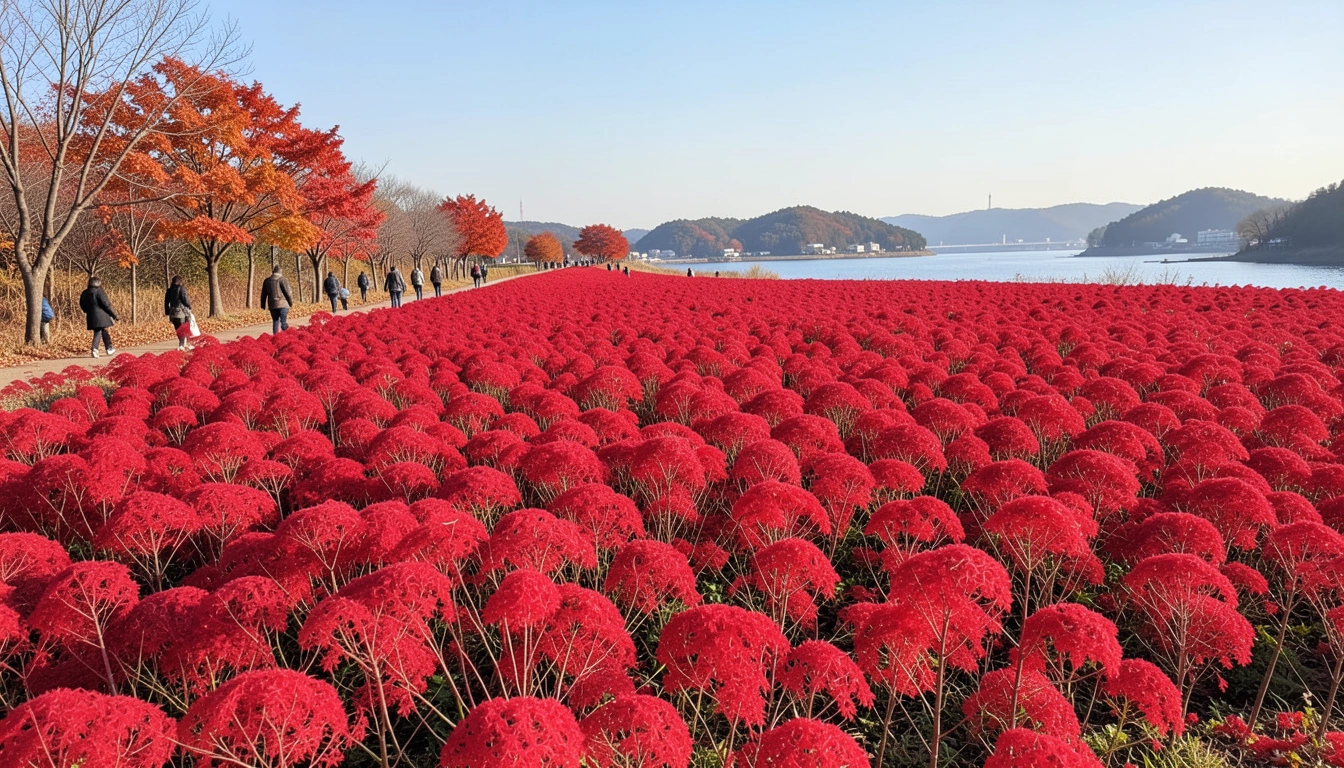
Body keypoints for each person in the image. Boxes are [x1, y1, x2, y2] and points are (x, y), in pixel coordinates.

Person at [79, 276, 117, 358]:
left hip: (91, 315)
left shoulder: (85, 293)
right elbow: (107, 304)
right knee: (98, 331)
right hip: (101, 315)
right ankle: (94, 349)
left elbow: (82, 304)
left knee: (103, 330)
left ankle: (109, 348)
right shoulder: (99, 291)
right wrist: (114, 315)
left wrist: (87, 310)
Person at [260, 266, 294, 335]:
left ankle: (275, 336)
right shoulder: (283, 279)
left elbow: (263, 294)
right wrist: (291, 302)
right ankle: (286, 335)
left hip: (272, 304)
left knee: (275, 321)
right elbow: (287, 292)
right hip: (283, 304)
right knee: (283, 321)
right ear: (280, 271)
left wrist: (262, 305)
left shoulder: (267, 280)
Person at [164, 275, 194, 350]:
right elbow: (185, 299)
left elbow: (166, 302)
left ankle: (181, 343)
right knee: (184, 328)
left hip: (173, 313)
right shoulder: (181, 288)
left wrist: (167, 311)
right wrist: (189, 306)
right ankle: (183, 344)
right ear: (180, 281)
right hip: (181, 312)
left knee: (178, 329)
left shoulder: (169, 290)